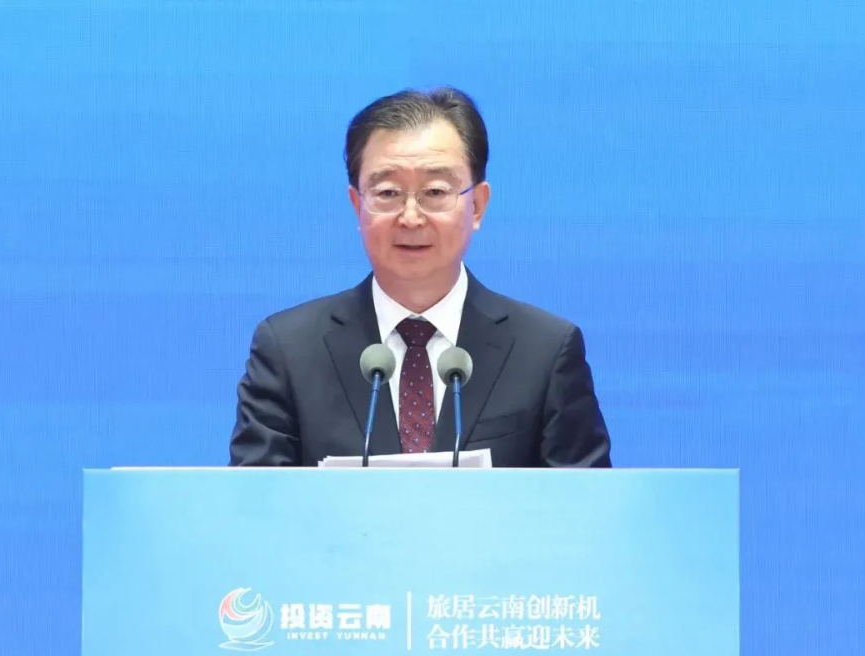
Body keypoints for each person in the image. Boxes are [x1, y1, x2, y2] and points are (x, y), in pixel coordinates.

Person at [229, 87, 611, 467]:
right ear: (357, 205)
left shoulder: (544, 352)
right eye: (388, 192)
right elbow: (255, 500)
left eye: (435, 191)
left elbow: (584, 500)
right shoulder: (289, 351)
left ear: (477, 206)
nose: (411, 217)